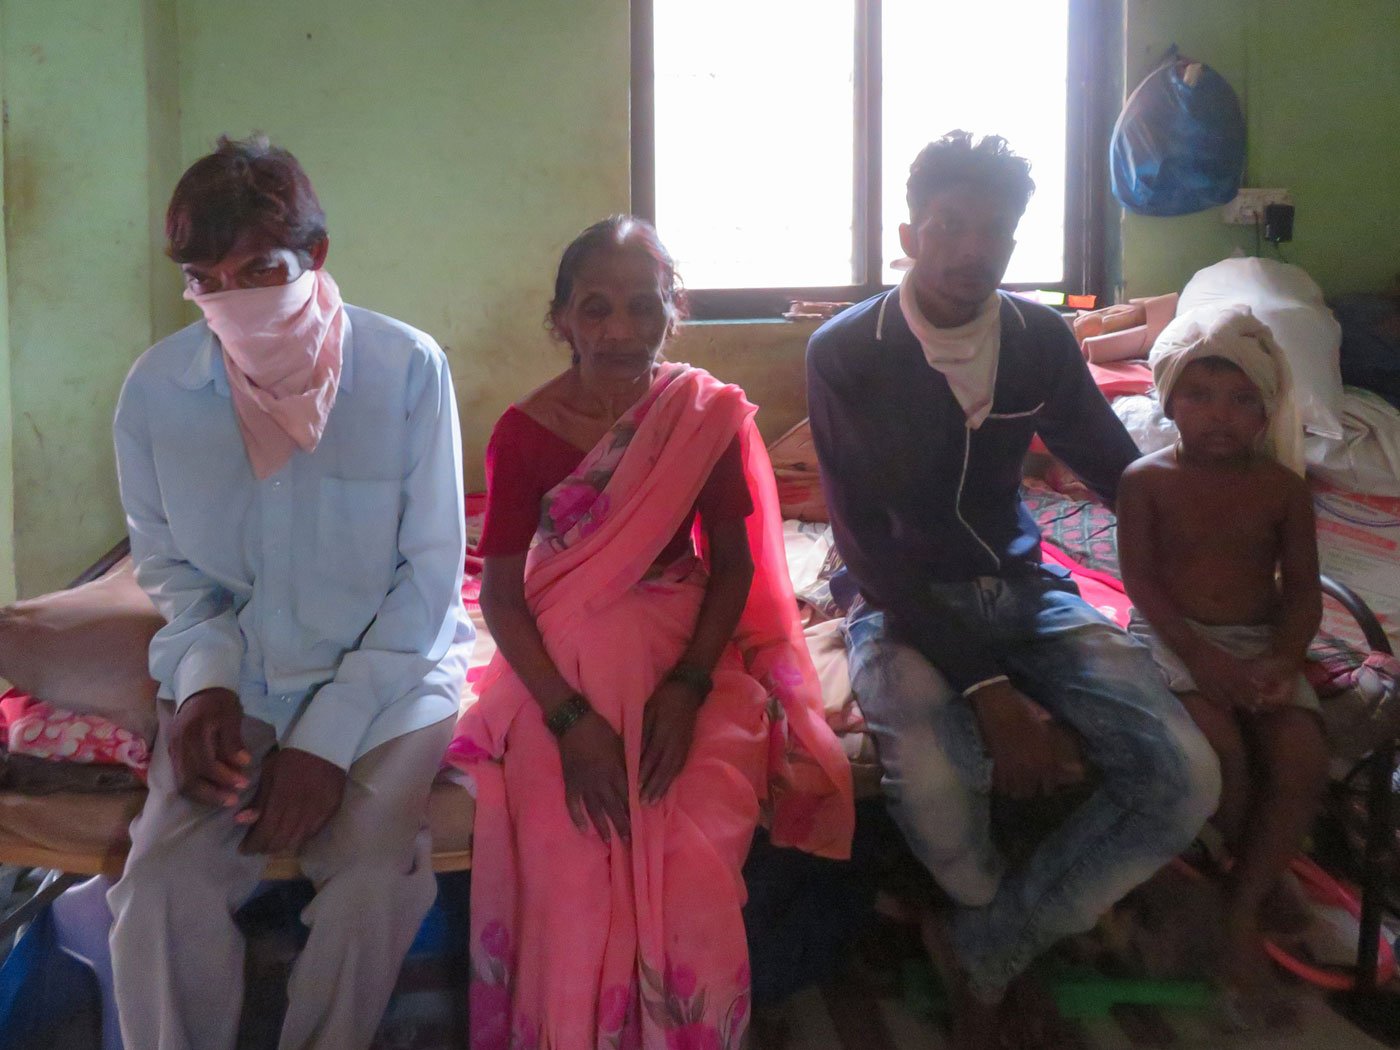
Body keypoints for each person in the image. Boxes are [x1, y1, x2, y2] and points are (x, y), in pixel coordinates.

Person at [806, 131, 1219, 1049]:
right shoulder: (850, 352)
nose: (969, 251)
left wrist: (1203, 556)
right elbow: (865, 547)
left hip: (1022, 586)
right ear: (910, 235)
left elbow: (1113, 465)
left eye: (992, 232)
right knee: (940, 775)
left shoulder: (1037, 339)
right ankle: (1001, 936)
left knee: (1184, 777)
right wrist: (988, 692)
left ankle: (987, 944)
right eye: (948, 227)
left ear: (1014, 242)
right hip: (897, 600)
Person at [446, 215, 853, 1050]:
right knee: (568, 866)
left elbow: (733, 567)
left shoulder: (698, 418)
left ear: (675, 311)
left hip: (682, 658)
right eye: (595, 309)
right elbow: (498, 592)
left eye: (643, 306)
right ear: (560, 320)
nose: (621, 331)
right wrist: (568, 720)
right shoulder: (525, 434)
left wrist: (688, 687)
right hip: (553, 671)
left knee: (693, 862)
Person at [109, 135, 473, 1050]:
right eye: (207, 277)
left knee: (365, 885)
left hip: (386, 688)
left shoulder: (404, 371)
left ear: (313, 257)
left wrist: (325, 741)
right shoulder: (158, 393)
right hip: (243, 683)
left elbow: (428, 580)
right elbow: (172, 573)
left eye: (260, 269)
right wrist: (204, 684)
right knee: (158, 886)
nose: (233, 298)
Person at [1118, 306, 1327, 1024]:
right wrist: (1201, 660)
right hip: (1170, 638)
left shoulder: (1282, 488)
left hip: (1256, 640)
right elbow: (1142, 585)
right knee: (1223, 749)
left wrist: (1282, 660)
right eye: (1200, 396)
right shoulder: (1145, 481)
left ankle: (1241, 906)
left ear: (1267, 410)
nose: (1220, 417)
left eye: (1243, 401)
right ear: (1168, 399)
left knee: (1301, 755)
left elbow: (1301, 593)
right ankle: (1250, 869)